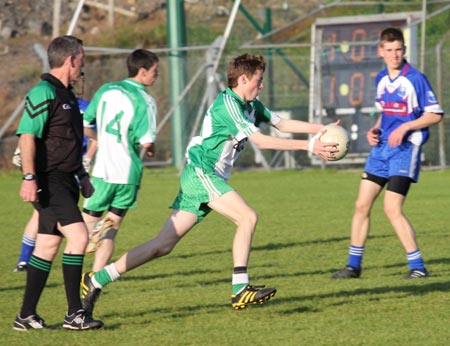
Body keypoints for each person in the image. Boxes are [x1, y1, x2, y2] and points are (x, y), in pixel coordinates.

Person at [80, 53, 339, 319]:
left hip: (205, 176)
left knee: (162, 246)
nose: (261, 86)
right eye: (258, 81)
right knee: (247, 217)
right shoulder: (228, 104)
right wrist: (310, 146)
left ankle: (98, 278)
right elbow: (261, 141)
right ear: (243, 78)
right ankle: (240, 288)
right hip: (202, 172)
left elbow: (281, 124)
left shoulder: (251, 104)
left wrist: (321, 128)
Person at [331, 27, 444, 280]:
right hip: (381, 150)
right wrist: (376, 129)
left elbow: (435, 114)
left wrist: (406, 126)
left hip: (406, 150)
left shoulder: (415, 78)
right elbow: (386, 113)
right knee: (361, 205)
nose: (395, 55)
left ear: (404, 50)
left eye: (399, 50)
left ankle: (418, 267)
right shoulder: (381, 78)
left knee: (392, 208)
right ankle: (353, 266)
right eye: (390, 50)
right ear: (381, 51)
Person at [13, 35, 103, 331]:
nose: (83, 66)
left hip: (66, 181)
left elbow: (68, 145)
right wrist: (29, 177)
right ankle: (75, 314)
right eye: (82, 59)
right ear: (71, 59)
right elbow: (27, 136)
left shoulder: (67, 95)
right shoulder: (43, 92)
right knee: (78, 238)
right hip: (48, 181)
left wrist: (83, 177)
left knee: (48, 246)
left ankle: (26, 316)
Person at [81, 49, 158, 274]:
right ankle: (94, 278)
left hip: (103, 170)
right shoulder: (146, 100)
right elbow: (147, 143)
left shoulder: (106, 89)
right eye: (155, 71)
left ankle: (76, 273)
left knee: (82, 227)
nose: (158, 75)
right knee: (112, 228)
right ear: (142, 72)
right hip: (128, 174)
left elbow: (86, 125)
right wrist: (152, 149)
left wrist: (102, 139)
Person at [12, 98, 96, 273]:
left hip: (71, 167)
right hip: (51, 171)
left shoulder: (86, 107)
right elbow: (31, 133)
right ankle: (24, 261)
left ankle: (24, 262)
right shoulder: (49, 97)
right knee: (75, 236)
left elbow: (94, 136)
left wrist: (86, 159)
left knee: (47, 235)